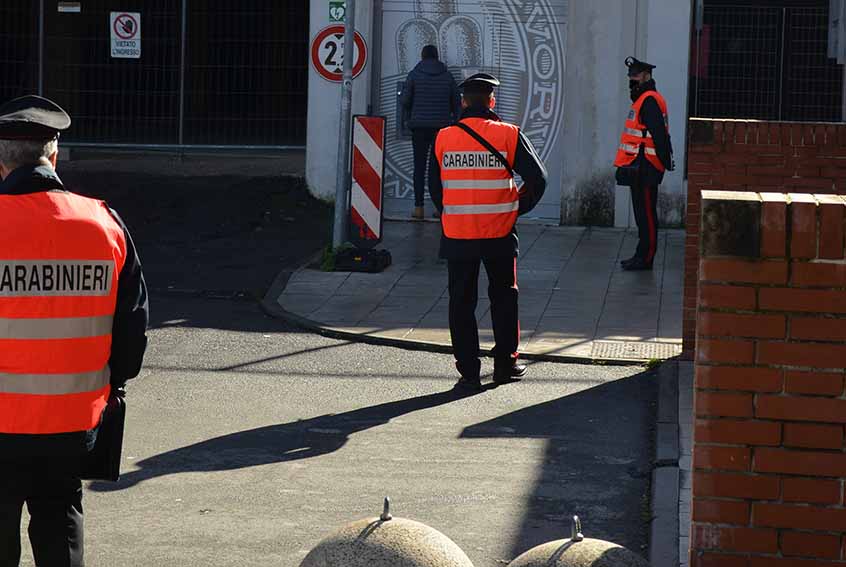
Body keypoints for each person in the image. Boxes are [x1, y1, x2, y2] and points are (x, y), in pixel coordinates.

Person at [0, 95, 149, 567]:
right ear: (54, 154)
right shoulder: (104, 223)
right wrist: (112, 387)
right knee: (60, 518)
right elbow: (133, 326)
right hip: (71, 422)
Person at [430, 73, 547, 391]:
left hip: (458, 235)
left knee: (461, 301)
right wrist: (514, 208)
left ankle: (468, 370)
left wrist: (454, 212)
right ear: (492, 101)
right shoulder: (509, 135)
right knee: (504, 297)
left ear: (464, 102)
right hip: (498, 233)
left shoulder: (443, 138)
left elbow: (434, 189)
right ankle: (505, 366)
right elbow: (538, 179)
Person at [614, 56, 674, 271]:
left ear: (646, 76)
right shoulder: (643, 99)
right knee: (642, 213)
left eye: (636, 76)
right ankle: (641, 254)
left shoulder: (649, 100)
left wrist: (666, 162)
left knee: (646, 215)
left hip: (646, 166)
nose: (632, 79)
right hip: (639, 166)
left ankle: (646, 257)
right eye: (630, 76)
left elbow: (659, 135)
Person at [399, 44, 461, 220]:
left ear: (422, 56)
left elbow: (404, 100)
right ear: (437, 57)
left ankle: (418, 208)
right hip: (441, 129)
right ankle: (439, 207)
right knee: (439, 169)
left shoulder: (414, 75)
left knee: (419, 167)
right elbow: (457, 101)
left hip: (419, 128)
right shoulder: (447, 76)